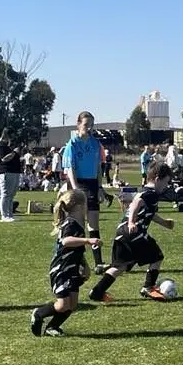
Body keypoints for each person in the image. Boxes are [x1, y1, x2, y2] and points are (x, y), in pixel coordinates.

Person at [88, 161, 175, 303]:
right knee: (157, 257)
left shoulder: (145, 191)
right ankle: (149, 287)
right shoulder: (151, 193)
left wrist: (165, 223)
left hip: (122, 233)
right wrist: (132, 222)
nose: (166, 186)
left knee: (119, 266)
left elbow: (148, 213)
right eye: (166, 182)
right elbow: (135, 204)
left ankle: (97, 291)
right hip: (135, 233)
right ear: (157, 179)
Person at [31, 189, 100, 337]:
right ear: (79, 206)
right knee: (62, 304)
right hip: (61, 269)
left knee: (73, 304)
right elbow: (66, 241)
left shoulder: (77, 225)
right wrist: (88, 240)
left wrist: (85, 266)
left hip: (72, 269)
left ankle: (52, 327)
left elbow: (77, 250)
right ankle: (39, 313)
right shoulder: (69, 224)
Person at [63, 112, 107, 272]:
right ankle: (77, 261)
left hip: (92, 184)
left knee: (93, 223)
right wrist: (75, 189)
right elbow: (70, 168)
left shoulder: (96, 144)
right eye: (86, 124)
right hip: (78, 183)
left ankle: (98, 263)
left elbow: (98, 167)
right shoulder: (72, 144)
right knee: (78, 225)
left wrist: (100, 188)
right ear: (78, 124)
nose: (89, 128)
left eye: (91, 125)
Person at [0, 134, 23, 223]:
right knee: (6, 194)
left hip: (14, 171)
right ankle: (4, 216)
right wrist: (14, 153)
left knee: (11, 195)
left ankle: (10, 214)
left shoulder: (10, 146)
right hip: (6, 171)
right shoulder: (0, 145)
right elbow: (4, 159)